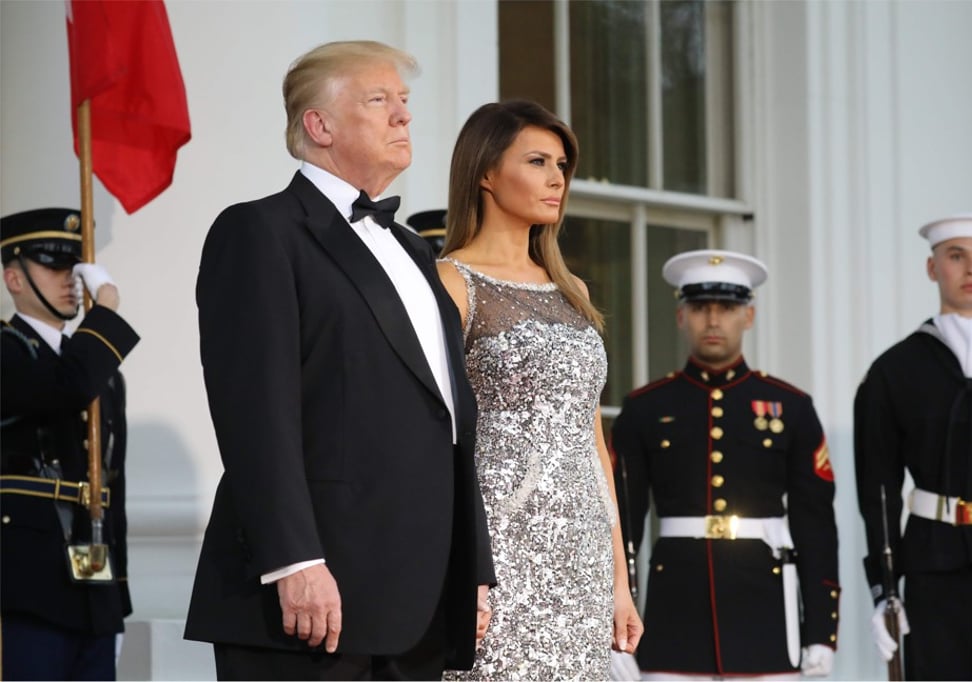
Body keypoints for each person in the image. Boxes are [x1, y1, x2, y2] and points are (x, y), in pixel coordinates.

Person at [183, 41, 495, 681]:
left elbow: (448, 417)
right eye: (379, 100)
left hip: (420, 600)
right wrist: (294, 561)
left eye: (404, 102)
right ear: (317, 125)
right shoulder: (259, 231)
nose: (403, 117)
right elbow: (255, 414)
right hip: (307, 602)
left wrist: (473, 565)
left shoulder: (412, 250)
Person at [436, 99, 643, 680]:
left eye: (561, 165)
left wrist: (619, 582)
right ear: (484, 171)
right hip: (497, 543)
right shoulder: (451, 281)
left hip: (580, 548)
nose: (557, 179)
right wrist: (460, 569)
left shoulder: (571, 286)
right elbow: (434, 435)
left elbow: (594, 442)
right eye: (537, 161)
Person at [611, 249, 840, 679]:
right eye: (699, 308)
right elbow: (622, 524)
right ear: (681, 317)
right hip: (674, 613)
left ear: (748, 317)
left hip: (766, 613)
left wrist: (821, 631)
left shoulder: (791, 407)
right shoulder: (646, 408)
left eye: (728, 308)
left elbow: (816, 525)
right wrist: (615, 623)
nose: (713, 321)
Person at [853, 213, 972, 681]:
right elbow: (879, 486)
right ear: (933, 269)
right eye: (956, 256)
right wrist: (884, 587)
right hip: (933, 564)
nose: (971, 270)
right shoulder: (895, 370)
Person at [1, 207, 139, 680]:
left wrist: (114, 599)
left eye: (75, 268)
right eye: (53, 266)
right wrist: (105, 308)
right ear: (13, 277)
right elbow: (64, 387)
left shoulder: (100, 370)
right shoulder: (8, 351)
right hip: (24, 587)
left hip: (91, 585)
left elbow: (109, 485)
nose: (71, 280)